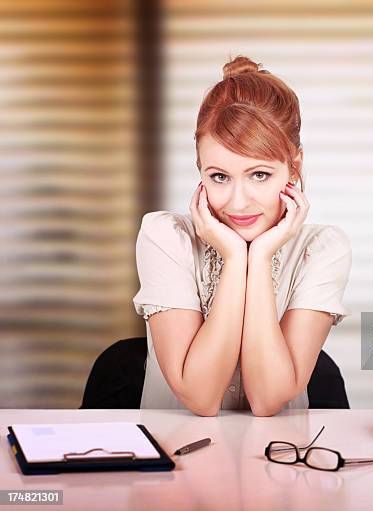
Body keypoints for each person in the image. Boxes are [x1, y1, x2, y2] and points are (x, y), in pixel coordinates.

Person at [132, 55, 351, 416]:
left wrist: (260, 257)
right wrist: (235, 259)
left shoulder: (322, 249)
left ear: (293, 167)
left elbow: (267, 400)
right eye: (219, 176)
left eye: (260, 175)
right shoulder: (165, 237)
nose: (238, 201)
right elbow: (200, 397)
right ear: (200, 170)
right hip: (175, 462)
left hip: (279, 461)